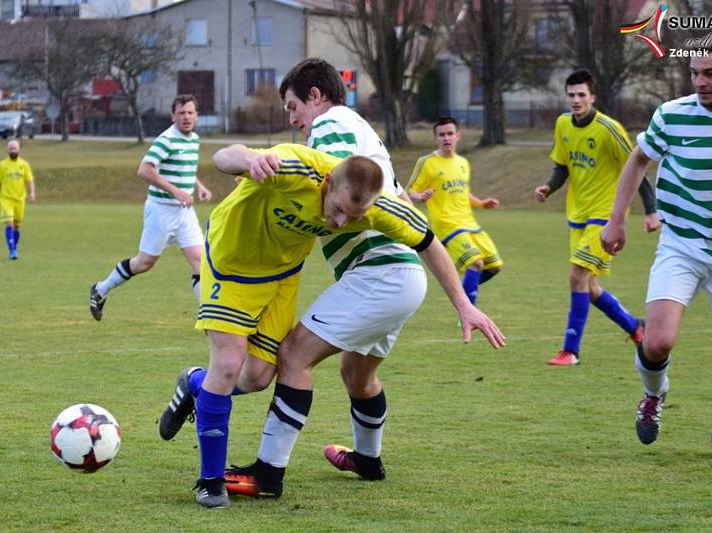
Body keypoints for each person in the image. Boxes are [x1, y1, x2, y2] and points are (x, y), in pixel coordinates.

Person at [158, 59, 462, 488]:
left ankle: (268, 474)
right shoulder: (358, 142)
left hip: (376, 270)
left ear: (315, 97)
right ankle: (368, 461)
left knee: (293, 356)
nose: (294, 119)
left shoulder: (330, 129)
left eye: (292, 107)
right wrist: (251, 159)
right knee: (357, 374)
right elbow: (410, 222)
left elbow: (339, 174)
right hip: (403, 276)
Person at [180, 142, 505, 508]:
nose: (338, 224)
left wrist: (465, 305)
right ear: (329, 182)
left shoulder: (376, 206)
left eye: (352, 218)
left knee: (255, 377)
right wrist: (253, 160)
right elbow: (225, 155)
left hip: (281, 274)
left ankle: (194, 384)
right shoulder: (298, 166)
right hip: (231, 262)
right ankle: (211, 482)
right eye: (337, 210)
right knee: (227, 365)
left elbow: (428, 241)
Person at [601, 54, 712, 460]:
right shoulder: (672, 115)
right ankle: (652, 397)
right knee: (657, 342)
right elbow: (639, 159)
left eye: (710, 73)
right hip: (682, 245)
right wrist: (617, 219)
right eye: (694, 73)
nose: (699, 82)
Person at [534, 69, 660, 366]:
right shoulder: (563, 124)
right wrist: (548, 187)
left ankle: (570, 351)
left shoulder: (608, 128)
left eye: (581, 95)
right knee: (589, 288)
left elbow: (637, 168)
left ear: (593, 97)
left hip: (605, 216)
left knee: (577, 276)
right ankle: (634, 327)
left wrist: (651, 211)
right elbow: (562, 166)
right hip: (577, 215)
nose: (576, 100)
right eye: (571, 95)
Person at [88, 94, 212, 321]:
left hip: (184, 212)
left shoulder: (193, 139)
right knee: (144, 263)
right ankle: (100, 289)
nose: (186, 117)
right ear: (173, 116)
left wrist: (199, 186)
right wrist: (175, 191)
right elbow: (144, 170)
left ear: (197, 115)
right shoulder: (166, 139)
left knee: (201, 262)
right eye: (181, 113)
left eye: (190, 113)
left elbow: (185, 167)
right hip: (161, 210)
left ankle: (208, 317)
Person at [407, 116, 502, 306]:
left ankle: (459, 290)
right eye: (441, 135)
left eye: (450, 133)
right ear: (435, 139)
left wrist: (482, 203)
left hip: (469, 224)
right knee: (476, 262)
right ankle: (466, 311)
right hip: (446, 225)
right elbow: (408, 192)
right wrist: (420, 197)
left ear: (458, 136)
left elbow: (463, 193)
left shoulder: (463, 163)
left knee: (494, 266)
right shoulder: (427, 162)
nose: (446, 138)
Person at [0, 140, 35, 260]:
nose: (12, 151)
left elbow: (29, 180)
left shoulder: (24, 165)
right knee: (9, 223)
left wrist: (31, 193)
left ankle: (14, 246)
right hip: (6, 199)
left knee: (17, 226)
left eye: (14, 148)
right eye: (10, 149)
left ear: (19, 150)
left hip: (20, 200)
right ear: (7, 150)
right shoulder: (2, 165)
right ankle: (12, 251)